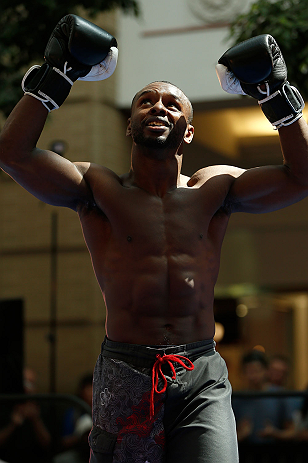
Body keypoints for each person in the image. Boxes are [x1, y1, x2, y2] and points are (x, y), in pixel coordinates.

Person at [1, 16, 308, 463]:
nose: (158, 107)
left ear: (189, 129)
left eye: (171, 103)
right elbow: (12, 154)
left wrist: (278, 98)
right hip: (126, 369)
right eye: (145, 101)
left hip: (201, 371)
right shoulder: (97, 189)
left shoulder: (214, 189)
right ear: (129, 125)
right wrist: (55, 75)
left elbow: (301, 177)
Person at [0, 368, 51, 463]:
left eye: (30, 383)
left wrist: (36, 420)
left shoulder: (44, 408)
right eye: (24, 383)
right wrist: (13, 425)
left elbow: (49, 445)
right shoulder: (5, 404)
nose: (27, 387)